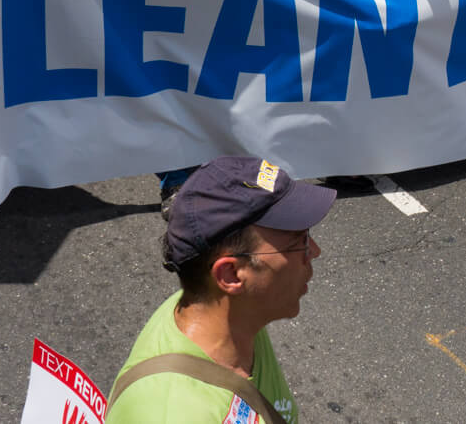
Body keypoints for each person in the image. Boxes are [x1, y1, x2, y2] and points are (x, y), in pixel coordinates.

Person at [105, 157, 336, 424]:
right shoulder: (171, 414)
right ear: (231, 275)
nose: (315, 251)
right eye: (300, 242)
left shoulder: (233, 317)